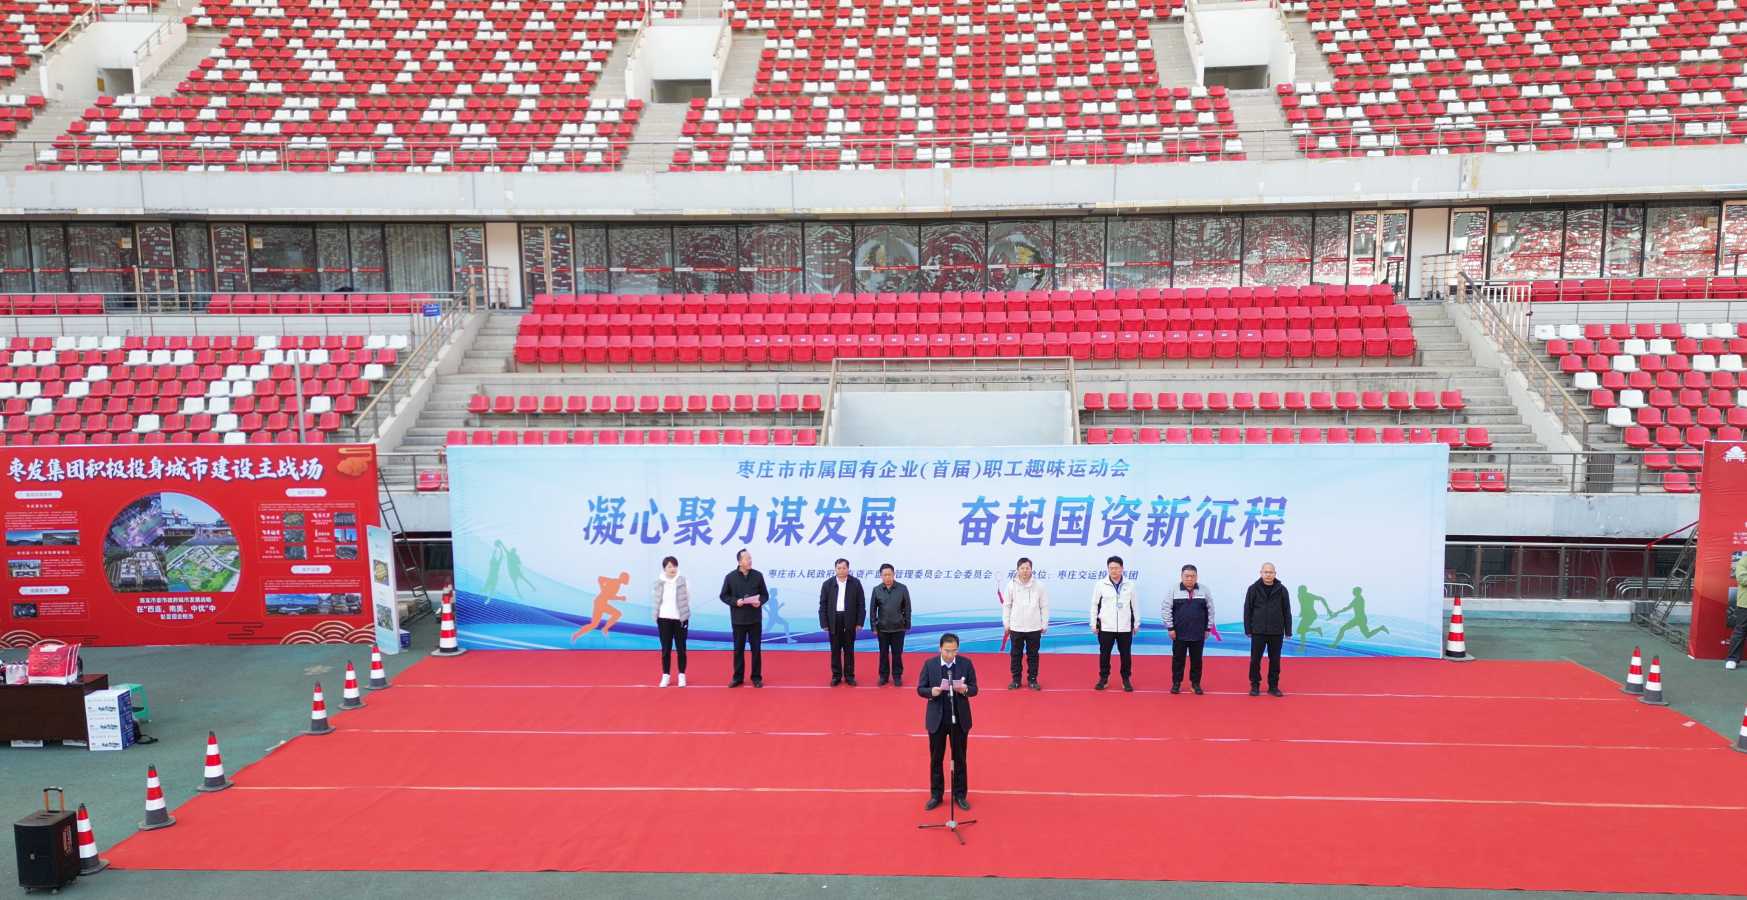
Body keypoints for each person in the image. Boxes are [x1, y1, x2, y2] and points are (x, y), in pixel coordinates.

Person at [916, 632, 978, 811]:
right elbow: (920, 688)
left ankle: (960, 794)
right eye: (947, 651)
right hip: (937, 719)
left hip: (959, 719)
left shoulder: (966, 664)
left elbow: (974, 689)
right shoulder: (930, 664)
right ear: (940, 649)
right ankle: (936, 794)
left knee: (960, 758)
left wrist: (965, 689)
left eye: (954, 651)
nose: (951, 655)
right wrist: (931, 692)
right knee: (936, 758)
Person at [1089, 555, 1140, 691]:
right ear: (1108, 569)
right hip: (1106, 626)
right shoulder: (1101, 584)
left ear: (1122, 568)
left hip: (1125, 627)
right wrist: (1093, 623)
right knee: (1104, 654)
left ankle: (1126, 679)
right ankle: (1103, 678)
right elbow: (1094, 604)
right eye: (1111, 568)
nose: (1114, 571)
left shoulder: (1130, 585)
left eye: (1116, 568)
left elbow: (1135, 605)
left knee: (1126, 655)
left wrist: (1136, 623)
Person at [719, 549, 769, 687]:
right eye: (747, 558)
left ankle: (756, 677)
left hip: (755, 620)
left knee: (756, 650)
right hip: (738, 620)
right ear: (740, 562)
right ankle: (738, 677)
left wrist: (760, 602)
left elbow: (765, 595)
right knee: (738, 650)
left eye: (750, 558)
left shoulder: (758, 576)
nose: (750, 561)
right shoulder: (730, 577)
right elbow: (723, 595)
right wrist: (735, 602)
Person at [1163, 564, 1214, 695]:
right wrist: (1170, 628)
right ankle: (1176, 683)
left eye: (1192, 576)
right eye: (1187, 576)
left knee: (1196, 660)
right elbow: (1166, 609)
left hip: (1198, 633)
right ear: (1181, 576)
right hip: (1179, 633)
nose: (1190, 579)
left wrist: (1208, 628)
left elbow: (1210, 610)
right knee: (1178, 660)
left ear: (1197, 577)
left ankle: (1195, 684)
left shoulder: (1204, 590)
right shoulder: (1174, 590)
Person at [1243, 562, 1291, 697]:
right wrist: (1248, 629)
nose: (1268, 574)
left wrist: (1288, 630)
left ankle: (1273, 686)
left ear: (1275, 574)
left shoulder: (1282, 590)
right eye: (1266, 572)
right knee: (1255, 660)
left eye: (1271, 572)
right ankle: (1255, 685)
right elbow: (1247, 610)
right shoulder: (1253, 589)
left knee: (1275, 660)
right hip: (1258, 631)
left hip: (1276, 631)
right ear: (1261, 573)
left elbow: (1286, 610)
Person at [818, 558, 866, 686]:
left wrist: (860, 622)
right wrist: (824, 623)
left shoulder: (855, 583)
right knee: (835, 650)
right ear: (835, 569)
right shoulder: (827, 584)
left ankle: (849, 676)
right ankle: (836, 676)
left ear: (848, 569)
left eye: (844, 568)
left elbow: (861, 604)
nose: (841, 570)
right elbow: (823, 605)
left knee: (849, 649)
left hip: (849, 619)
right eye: (839, 568)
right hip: (834, 620)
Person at [1003, 557, 1049, 690]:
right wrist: (1006, 623)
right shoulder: (1011, 585)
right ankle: (1016, 680)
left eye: (1027, 568)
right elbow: (1007, 606)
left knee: (1033, 655)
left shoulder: (1039, 586)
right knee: (1015, 655)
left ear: (1031, 569)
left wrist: (1044, 624)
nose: (1025, 571)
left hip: (1034, 627)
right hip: (1016, 627)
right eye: (1022, 568)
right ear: (1017, 570)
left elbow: (1044, 606)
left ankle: (1032, 680)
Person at [869, 563, 912, 686]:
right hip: (882, 629)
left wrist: (907, 624)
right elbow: (872, 610)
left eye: (889, 574)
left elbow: (907, 608)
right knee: (883, 654)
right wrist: (873, 627)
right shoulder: (877, 590)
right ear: (881, 576)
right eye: (885, 575)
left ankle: (897, 676)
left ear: (894, 575)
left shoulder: (902, 588)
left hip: (898, 628)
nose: (887, 577)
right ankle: (883, 676)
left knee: (897, 654)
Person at [652, 555, 690, 688]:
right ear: (664, 569)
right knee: (666, 649)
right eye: (669, 566)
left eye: (674, 566)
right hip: (663, 619)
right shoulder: (659, 583)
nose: (672, 569)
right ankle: (666, 676)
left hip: (680, 619)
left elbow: (688, 598)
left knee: (681, 649)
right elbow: (656, 600)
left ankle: (681, 675)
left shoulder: (683, 581)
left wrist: (683, 615)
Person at [571, 571, 630, 641]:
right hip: (600, 603)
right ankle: (605, 629)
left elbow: (602, 583)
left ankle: (576, 635)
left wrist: (604, 590)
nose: (628, 580)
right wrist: (619, 597)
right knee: (617, 614)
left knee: (594, 624)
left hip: (600, 602)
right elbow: (601, 581)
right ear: (623, 578)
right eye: (627, 578)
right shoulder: (615, 582)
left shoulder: (616, 583)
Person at [1727, 554, 1747, 670]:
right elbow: (1742, 579)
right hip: (1745, 604)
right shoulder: (1744, 561)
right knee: (1740, 631)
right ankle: (1732, 659)